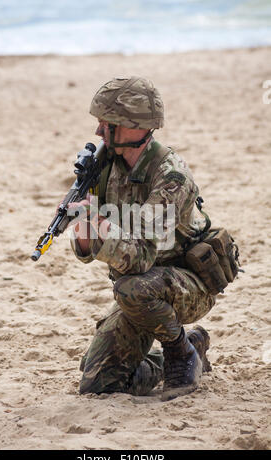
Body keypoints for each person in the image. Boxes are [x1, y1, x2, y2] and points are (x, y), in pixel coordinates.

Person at [68, 76, 216, 400]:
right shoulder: (108, 166)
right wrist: (83, 227)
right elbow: (87, 252)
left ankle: (181, 353)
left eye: (106, 123)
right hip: (138, 290)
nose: (97, 131)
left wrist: (101, 227)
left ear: (133, 126)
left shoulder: (171, 177)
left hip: (185, 284)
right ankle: (190, 346)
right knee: (97, 383)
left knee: (131, 288)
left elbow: (141, 257)